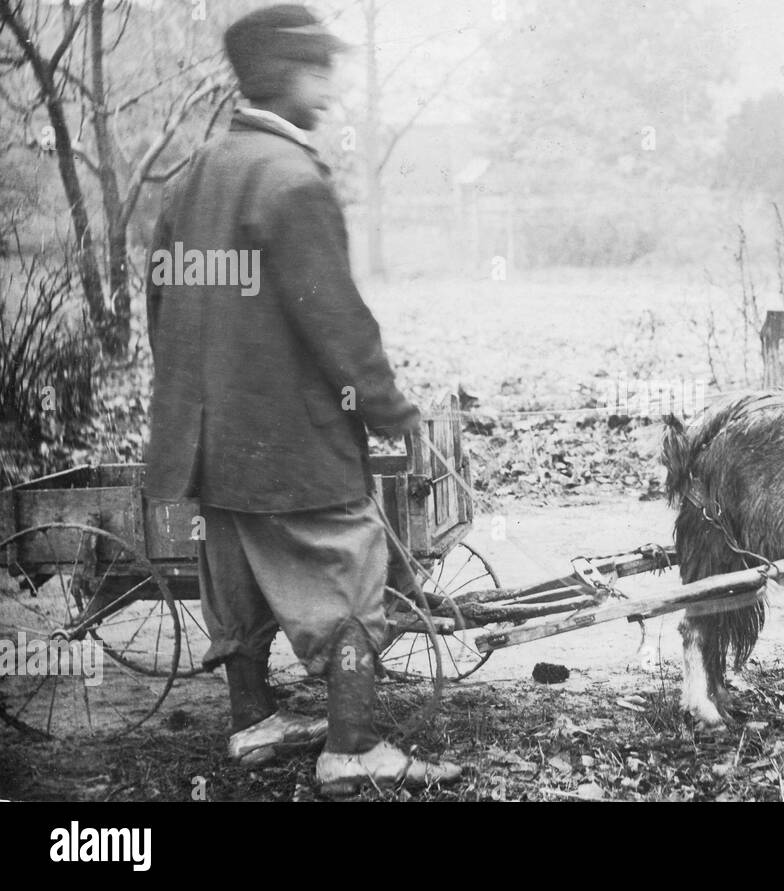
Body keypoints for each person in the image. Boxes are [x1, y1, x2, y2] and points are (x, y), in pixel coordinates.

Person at [144, 4, 460, 794]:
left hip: (208, 443)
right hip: (289, 444)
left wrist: (199, 409)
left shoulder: (195, 176)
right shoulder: (291, 181)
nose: (330, 87)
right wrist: (391, 414)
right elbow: (340, 328)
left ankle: (252, 723)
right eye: (320, 70)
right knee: (353, 573)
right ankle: (352, 748)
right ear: (285, 77)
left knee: (238, 585)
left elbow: (162, 309)